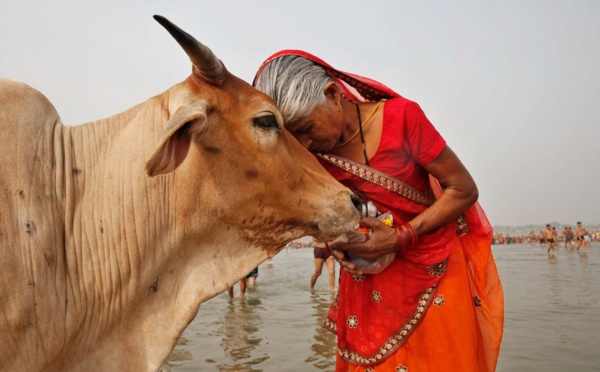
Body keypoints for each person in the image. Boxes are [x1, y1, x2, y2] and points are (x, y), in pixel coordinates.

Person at [254, 51, 503, 372]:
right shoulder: (310, 157)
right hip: (366, 282)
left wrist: (400, 238)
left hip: (433, 269)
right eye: (294, 137)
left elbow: (463, 189)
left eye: (306, 128)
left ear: (332, 95)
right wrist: (337, 244)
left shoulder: (402, 119)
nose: (304, 144)